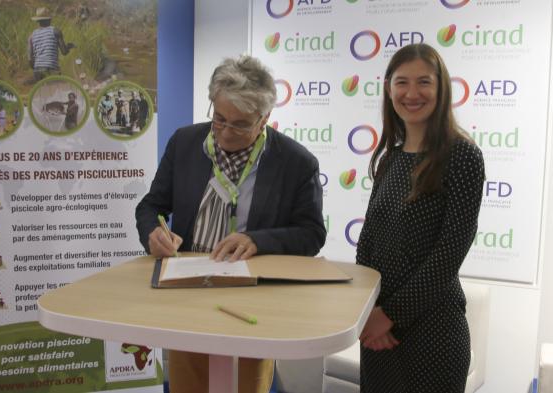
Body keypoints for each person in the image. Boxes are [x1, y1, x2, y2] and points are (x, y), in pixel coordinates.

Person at [135, 55, 326, 393]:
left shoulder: (297, 163)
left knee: (246, 385)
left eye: (240, 125)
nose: (225, 132)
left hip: (253, 299)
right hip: (188, 291)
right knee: (188, 383)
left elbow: (311, 234)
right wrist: (153, 232)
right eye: (219, 119)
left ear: (264, 118)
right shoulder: (184, 143)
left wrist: (259, 240)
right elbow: (151, 205)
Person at [355, 43, 485, 393]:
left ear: (441, 89)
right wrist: (367, 309)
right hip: (379, 335)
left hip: (434, 333)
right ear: (388, 88)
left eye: (424, 82)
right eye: (402, 82)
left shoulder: (462, 156)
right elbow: (368, 242)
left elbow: (449, 253)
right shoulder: (389, 160)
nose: (412, 93)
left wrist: (390, 316)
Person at [27, 7, 75, 82]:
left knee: (42, 92)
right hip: (52, 69)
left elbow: (30, 59)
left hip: (37, 70)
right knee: (55, 91)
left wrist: (37, 68)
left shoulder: (31, 36)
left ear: (38, 21)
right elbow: (64, 52)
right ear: (49, 19)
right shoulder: (55, 31)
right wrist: (69, 46)